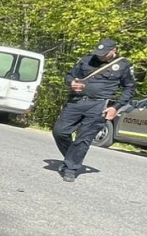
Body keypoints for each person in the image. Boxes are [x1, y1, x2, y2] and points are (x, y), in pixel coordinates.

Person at [52, 38, 136, 182]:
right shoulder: (86, 59)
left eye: (104, 53)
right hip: (77, 101)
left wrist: (115, 107)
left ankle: (70, 169)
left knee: (83, 138)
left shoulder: (123, 65)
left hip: (100, 105)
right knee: (59, 132)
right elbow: (70, 75)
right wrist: (71, 83)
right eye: (98, 52)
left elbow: (130, 88)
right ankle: (71, 158)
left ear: (113, 51)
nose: (100, 55)